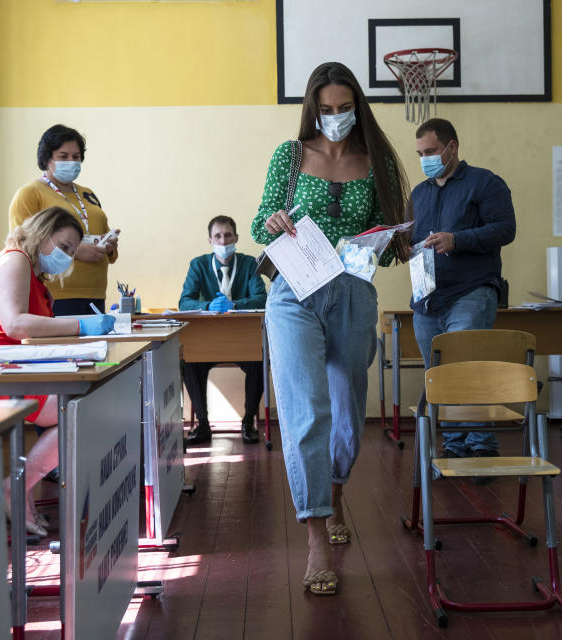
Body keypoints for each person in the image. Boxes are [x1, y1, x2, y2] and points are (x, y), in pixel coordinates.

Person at [250, 62, 409, 596]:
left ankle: (334, 488)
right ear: (312, 109)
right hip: (293, 290)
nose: (335, 118)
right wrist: (271, 223)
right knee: (305, 409)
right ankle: (316, 532)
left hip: (354, 291)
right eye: (326, 109)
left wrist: (390, 242)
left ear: (357, 108)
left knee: (346, 410)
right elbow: (260, 222)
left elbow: (391, 252)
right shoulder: (289, 156)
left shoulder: (378, 159)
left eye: (345, 108)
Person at [0, 206, 116, 536]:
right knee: (81, 409)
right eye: (63, 247)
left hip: (13, 368)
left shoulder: (34, 276)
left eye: (72, 252)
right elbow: (15, 325)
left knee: (83, 402)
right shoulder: (15, 259)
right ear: (42, 233)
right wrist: (79, 325)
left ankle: (19, 484)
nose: (67, 256)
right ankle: (17, 485)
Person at [408, 117, 516, 471]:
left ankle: (482, 447)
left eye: (431, 151)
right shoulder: (420, 193)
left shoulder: (485, 183)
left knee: (468, 370)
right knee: (439, 375)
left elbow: (506, 229)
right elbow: (411, 241)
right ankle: (454, 445)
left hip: (471, 291)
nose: (425, 158)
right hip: (427, 300)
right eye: (421, 153)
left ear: (451, 147)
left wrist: (459, 239)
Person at [9, 124, 119, 315]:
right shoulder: (30, 193)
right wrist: (75, 252)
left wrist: (108, 245)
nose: (71, 162)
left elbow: (99, 229)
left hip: (95, 293)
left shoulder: (88, 194)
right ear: (47, 159)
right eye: (63, 156)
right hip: (56, 294)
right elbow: (21, 245)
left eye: (76, 157)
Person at [178, 215, 267, 445]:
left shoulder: (249, 264)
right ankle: (203, 425)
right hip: (208, 340)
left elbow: (262, 298)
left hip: (242, 340)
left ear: (236, 237)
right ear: (210, 240)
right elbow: (184, 302)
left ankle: (247, 422)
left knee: (259, 360)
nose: (223, 240)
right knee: (190, 362)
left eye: (228, 235)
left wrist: (235, 305)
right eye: (217, 236)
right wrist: (207, 305)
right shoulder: (198, 265)